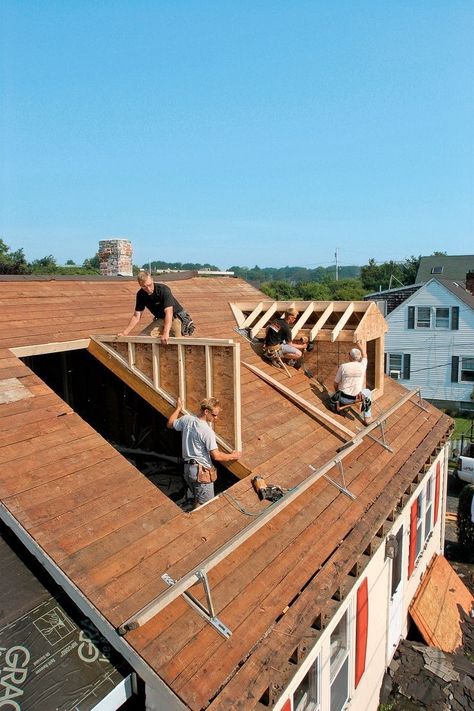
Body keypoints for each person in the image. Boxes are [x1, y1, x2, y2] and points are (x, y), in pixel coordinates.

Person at [167, 397, 241, 508]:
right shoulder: (206, 431)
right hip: (201, 473)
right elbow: (216, 455)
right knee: (205, 506)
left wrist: (178, 408)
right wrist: (233, 456)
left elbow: (170, 424)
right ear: (206, 412)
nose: (216, 418)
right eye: (214, 415)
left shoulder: (187, 419)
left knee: (198, 500)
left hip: (188, 471)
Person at [118, 271, 194, 345]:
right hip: (161, 318)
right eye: (144, 287)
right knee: (142, 338)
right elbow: (136, 316)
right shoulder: (140, 294)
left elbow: (169, 312)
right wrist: (124, 333)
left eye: (149, 285)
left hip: (175, 317)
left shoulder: (163, 290)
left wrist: (165, 333)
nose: (148, 289)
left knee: (177, 344)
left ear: (152, 280)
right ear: (140, 285)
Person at [333, 340, 372, 424]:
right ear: (359, 358)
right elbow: (365, 355)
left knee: (334, 393)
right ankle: (367, 418)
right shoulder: (362, 366)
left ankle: (342, 405)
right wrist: (359, 345)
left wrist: (337, 391)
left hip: (343, 398)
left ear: (350, 357)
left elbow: (335, 383)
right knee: (368, 392)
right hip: (356, 398)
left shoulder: (343, 367)